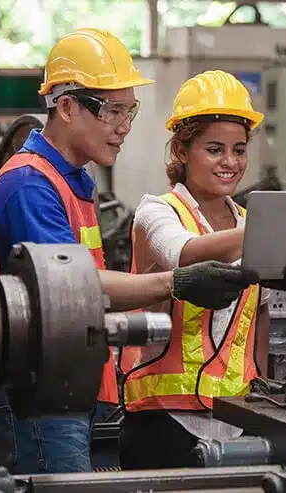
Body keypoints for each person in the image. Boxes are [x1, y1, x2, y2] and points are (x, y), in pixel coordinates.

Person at [0, 29, 257, 474]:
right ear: (66, 107)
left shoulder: (71, 182)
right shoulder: (30, 184)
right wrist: (177, 282)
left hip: (66, 380)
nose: (124, 125)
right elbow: (70, 289)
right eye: (112, 110)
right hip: (31, 389)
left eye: (130, 110)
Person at [118, 70, 270, 470]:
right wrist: (268, 229)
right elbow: (184, 253)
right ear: (182, 151)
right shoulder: (159, 211)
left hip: (238, 418)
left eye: (239, 150)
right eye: (215, 149)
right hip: (162, 421)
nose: (230, 162)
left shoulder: (249, 221)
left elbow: (261, 317)